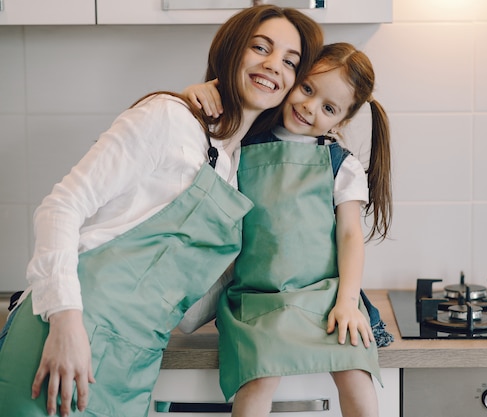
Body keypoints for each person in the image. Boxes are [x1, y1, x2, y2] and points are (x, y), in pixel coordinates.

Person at [0, 6, 323, 417]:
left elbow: (187, 316)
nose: (273, 65)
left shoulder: (233, 170)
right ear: (231, 51)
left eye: (290, 62)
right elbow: (61, 207)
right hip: (67, 335)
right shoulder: (170, 118)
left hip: (134, 361)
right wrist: (66, 324)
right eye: (260, 47)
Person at [183, 42, 392, 417]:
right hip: (257, 298)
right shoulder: (240, 144)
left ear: (341, 121)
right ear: (293, 78)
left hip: (325, 297)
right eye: (308, 89)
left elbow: (349, 236)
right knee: (258, 378)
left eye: (328, 108)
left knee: (355, 376)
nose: (310, 107)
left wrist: (347, 302)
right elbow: (195, 140)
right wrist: (192, 97)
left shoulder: (340, 165)